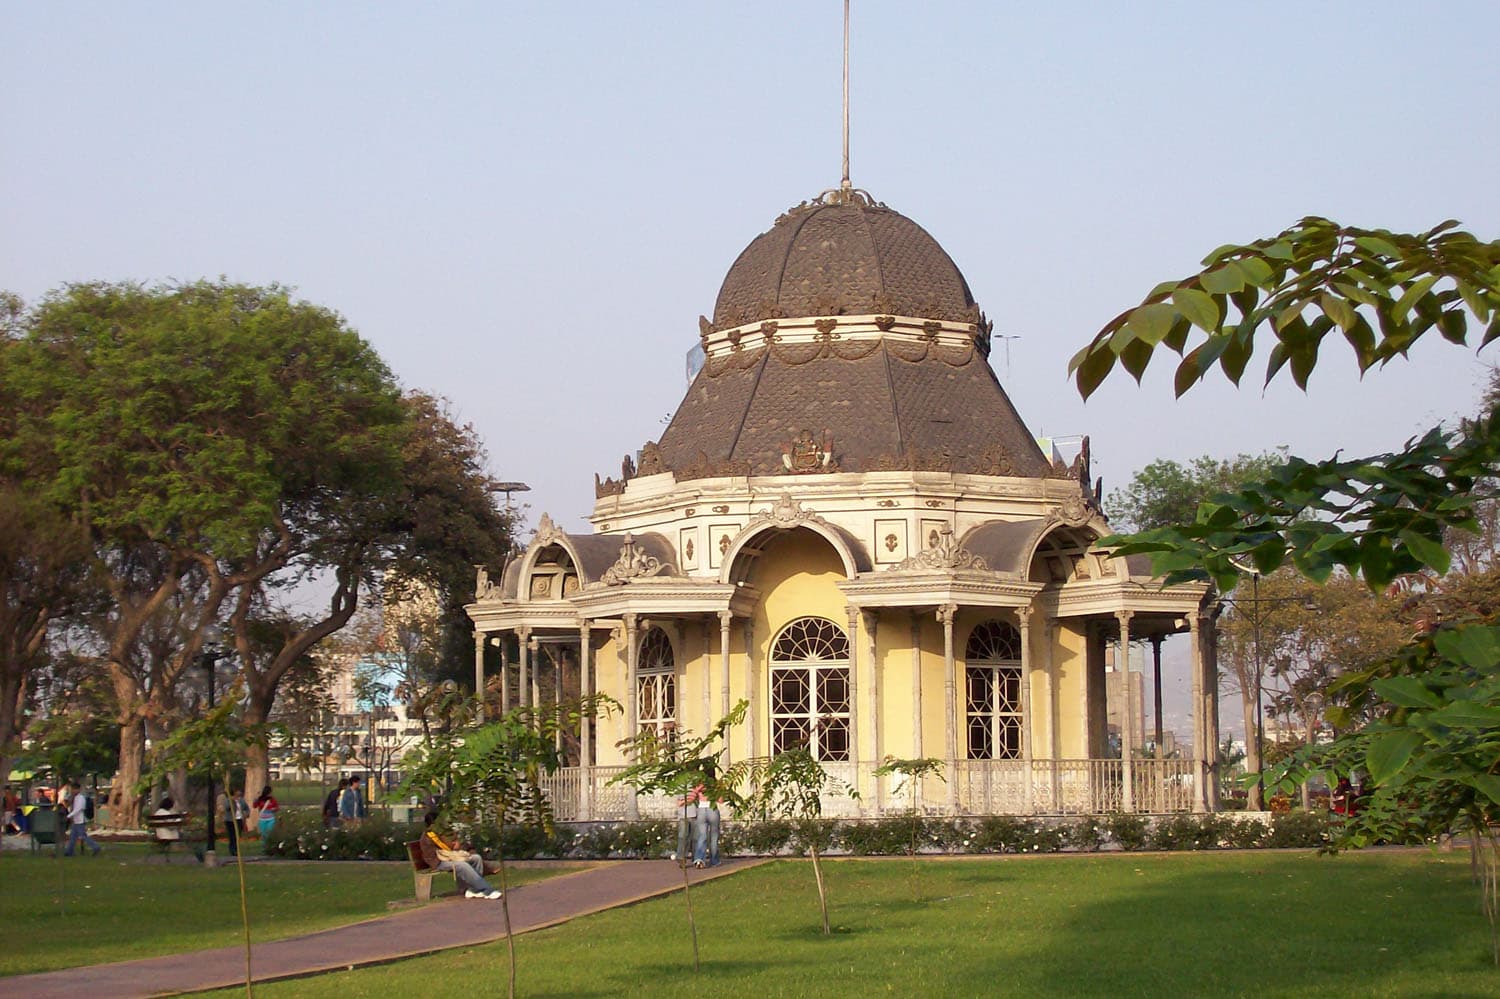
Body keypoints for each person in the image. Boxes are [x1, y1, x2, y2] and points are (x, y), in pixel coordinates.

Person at [418, 812, 502, 899]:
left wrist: (462, 847)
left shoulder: (445, 832)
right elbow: (437, 854)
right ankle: (487, 890)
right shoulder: (428, 837)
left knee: (476, 858)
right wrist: (454, 848)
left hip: (452, 857)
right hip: (439, 862)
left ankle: (472, 890)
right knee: (462, 865)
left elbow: (459, 844)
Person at [692, 763, 722, 869]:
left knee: (702, 836)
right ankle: (714, 861)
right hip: (712, 809)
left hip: (701, 809)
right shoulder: (716, 784)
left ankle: (699, 859)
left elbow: (694, 794)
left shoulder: (699, 783)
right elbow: (721, 800)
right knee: (714, 837)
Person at [62, 779, 102, 857]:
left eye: (73, 789)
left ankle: (95, 847)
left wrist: (68, 816)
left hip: (80, 820)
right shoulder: (75, 798)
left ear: (77, 789)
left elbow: (78, 809)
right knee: (73, 837)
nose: (72, 791)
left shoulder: (81, 798)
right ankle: (69, 851)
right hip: (76, 821)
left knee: (83, 836)